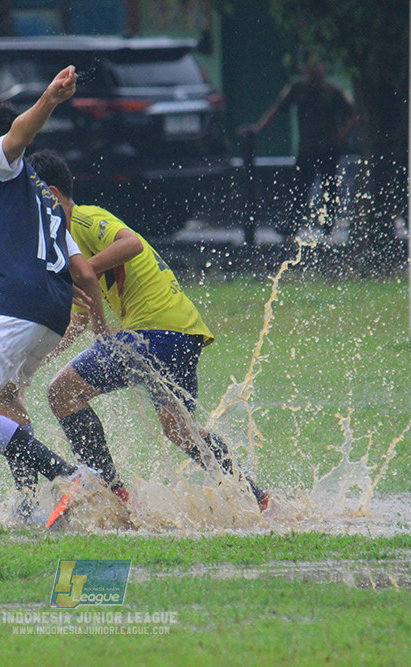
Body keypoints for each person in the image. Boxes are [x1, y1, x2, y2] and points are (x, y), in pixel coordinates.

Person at [28, 150, 269, 528]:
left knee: (62, 393)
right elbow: (76, 322)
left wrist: (84, 272)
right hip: (181, 335)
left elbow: (132, 244)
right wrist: (33, 361)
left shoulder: (84, 220)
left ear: (52, 195)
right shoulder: (68, 240)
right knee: (180, 431)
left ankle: (111, 492)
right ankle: (256, 497)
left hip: (155, 333)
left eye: (28, 199)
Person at [0, 66, 109, 528]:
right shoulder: (44, 197)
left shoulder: (2, 160)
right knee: (7, 398)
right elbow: (84, 273)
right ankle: (32, 505)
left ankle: (69, 475)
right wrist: (101, 330)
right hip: (48, 315)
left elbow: (20, 132)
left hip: (12, 307)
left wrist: (50, 98)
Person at [237, 54, 358, 237]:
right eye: (310, 67)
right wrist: (259, 128)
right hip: (307, 147)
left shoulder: (333, 92)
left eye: (317, 66)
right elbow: (278, 109)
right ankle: (293, 223)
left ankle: (328, 224)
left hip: (328, 147)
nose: (314, 71)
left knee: (329, 186)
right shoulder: (298, 89)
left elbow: (353, 115)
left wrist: (341, 135)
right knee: (300, 187)